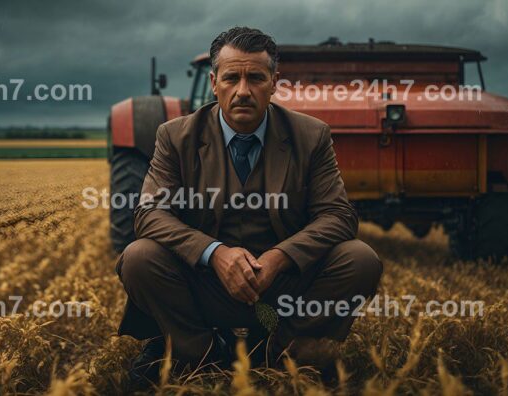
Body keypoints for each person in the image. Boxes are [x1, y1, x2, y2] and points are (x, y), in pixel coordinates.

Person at [115, 26, 383, 386]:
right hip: (205, 285)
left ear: (274, 82)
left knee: (361, 258)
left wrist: (278, 258)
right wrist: (216, 253)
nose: (243, 91)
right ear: (214, 82)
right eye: (231, 78)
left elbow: (338, 216)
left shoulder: (311, 135)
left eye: (255, 78)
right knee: (139, 257)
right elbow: (150, 214)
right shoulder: (175, 136)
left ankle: (284, 355)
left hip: (284, 288)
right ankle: (202, 355)